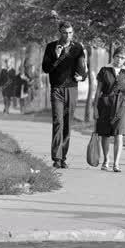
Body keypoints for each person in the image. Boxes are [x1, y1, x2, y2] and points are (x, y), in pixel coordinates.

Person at [42, 21, 87, 169]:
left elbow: (83, 70)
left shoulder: (78, 48)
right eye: (64, 32)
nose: (67, 35)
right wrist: (56, 56)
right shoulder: (50, 47)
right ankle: (56, 157)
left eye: (70, 33)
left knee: (67, 124)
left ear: (72, 33)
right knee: (58, 122)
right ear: (59, 32)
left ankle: (63, 157)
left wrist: (83, 77)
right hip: (57, 90)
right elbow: (46, 69)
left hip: (72, 90)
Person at [92, 46, 125, 172]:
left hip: (121, 106)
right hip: (105, 104)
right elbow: (98, 90)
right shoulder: (105, 70)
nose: (120, 59)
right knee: (105, 134)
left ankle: (116, 163)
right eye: (118, 56)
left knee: (119, 134)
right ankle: (106, 160)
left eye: (123, 58)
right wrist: (95, 108)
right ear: (113, 56)